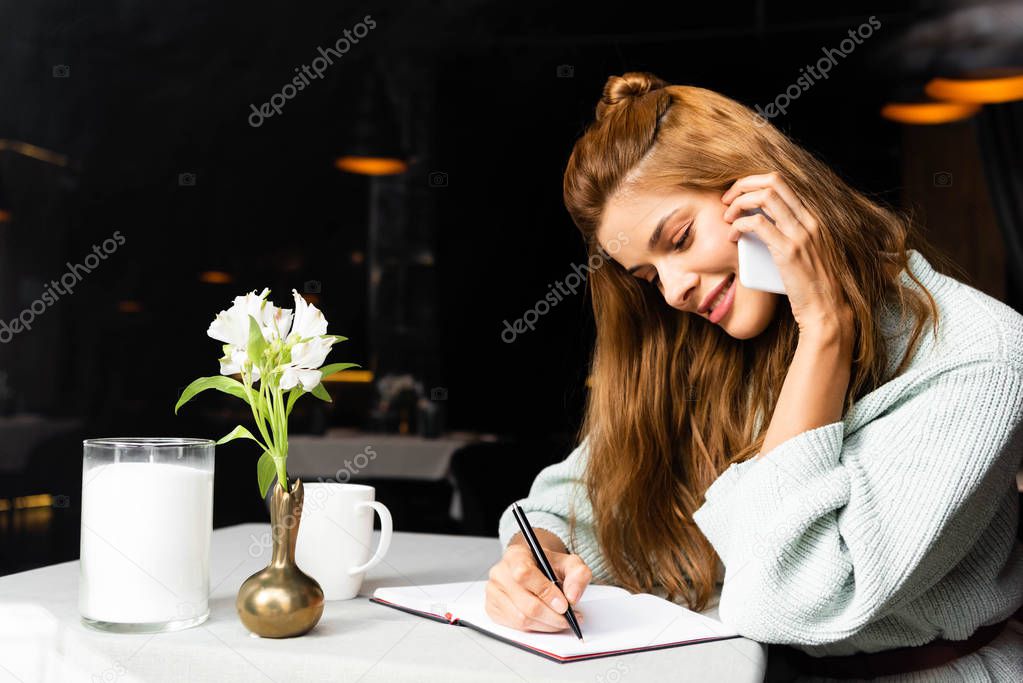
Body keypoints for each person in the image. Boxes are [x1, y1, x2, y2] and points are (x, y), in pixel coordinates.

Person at [484, 71, 1023, 680]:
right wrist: (538, 557)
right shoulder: (710, 340)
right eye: (647, 276)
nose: (675, 289)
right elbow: (575, 497)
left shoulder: (977, 356)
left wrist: (825, 330)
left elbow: (786, 602)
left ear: (764, 189)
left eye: (681, 238)